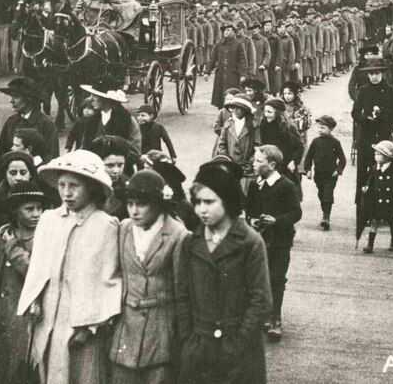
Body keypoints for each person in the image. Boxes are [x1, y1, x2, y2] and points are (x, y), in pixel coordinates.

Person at [17, 150, 123, 384]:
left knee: (82, 374)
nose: (66, 192)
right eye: (62, 185)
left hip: (81, 324)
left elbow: (108, 278)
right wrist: (34, 299)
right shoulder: (49, 220)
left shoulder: (105, 225)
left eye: (74, 185)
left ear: (91, 187)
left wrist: (92, 323)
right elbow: (38, 267)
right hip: (48, 316)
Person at [179, 159, 272, 383]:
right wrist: (187, 338)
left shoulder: (249, 241)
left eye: (210, 202)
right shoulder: (191, 241)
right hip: (199, 349)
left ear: (228, 201)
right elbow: (182, 294)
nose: (202, 209)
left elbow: (261, 300)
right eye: (198, 202)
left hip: (239, 353)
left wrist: (237, 344)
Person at [109, 170, 191, 384]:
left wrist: (184, 339)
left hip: (161, 331)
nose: (134, 211)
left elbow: (183, 291)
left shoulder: (178, 235)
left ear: (158, 203)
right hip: (125, 329)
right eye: (130, 203)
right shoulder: (124, 228)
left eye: (141, 204)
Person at [0, 180, 49, 384]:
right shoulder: (2, 234)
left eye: (39, 208)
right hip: (1, 311)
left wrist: (14, 250)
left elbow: (38, 274)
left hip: (27, 315)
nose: (36, 214)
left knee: (22, 365)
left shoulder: (44, 236)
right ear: (15, 210)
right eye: (29, 209)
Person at [246, 145, 302, 342]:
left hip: (280, 241)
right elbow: (249, 210)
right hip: (260, 241)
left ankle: (275, 318)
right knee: (260, 279)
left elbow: (296, 212)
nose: (254, 164)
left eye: (258, 161)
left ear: (271, 165)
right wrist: (251, 220)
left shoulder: (286, 185)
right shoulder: (255, 184)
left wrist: (276, 220)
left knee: (277, 278)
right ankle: (263, 314)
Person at [351, 56, 393, 244]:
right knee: (365, 175)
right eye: (371, 73)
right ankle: (363, 211)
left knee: (385, 173)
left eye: (377, 73)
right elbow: (355, 112)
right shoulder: (362, 91)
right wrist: (365, 118)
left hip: (383, 138)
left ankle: (385, 213)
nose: (374, 77)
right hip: (366, 140)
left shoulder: (390, 91)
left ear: (382, 74)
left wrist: (382, 116)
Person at [0, 76, 59, 196]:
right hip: (11, 185)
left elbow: (51, 159)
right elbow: (1, 155)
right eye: (11, 97)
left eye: (16, 96)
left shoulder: (46, 124)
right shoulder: (11, 122)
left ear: (29, 99)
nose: (11, 101)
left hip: (37, 187)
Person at [0, 150, 39, 241]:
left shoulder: (41, 200)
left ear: (31, 174)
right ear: (5, 175)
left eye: (23, 172)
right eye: (13, 173)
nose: (18, 178)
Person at [303, 115, 347, 231]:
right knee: (321, 193)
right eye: (319, 127)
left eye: (323, 128)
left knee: (328, 193)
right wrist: (307, 170)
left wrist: (338, 170)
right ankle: (325, 211)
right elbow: (309, 157)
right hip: (319, 174)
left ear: (330, 129)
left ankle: (326, 217)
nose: (320, 130)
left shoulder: (335, 143)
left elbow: (342, 159)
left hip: (330, 175)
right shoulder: (315, 142)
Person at [360, 141, 393, 253]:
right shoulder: (375, 168)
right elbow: (371, 179)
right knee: (374, 221)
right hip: (377, 200)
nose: (375, 157)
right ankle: (370, 244)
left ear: (387, 157)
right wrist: (367, 187)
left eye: (378, 155)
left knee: (391, 221)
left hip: (389, 200)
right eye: (375, 154)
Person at [86, 135, 141, 221]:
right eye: (110, 165)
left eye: (120, 165)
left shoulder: (128, 189)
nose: (116, 171)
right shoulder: (85, 186)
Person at [81, 76, 143, 150]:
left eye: (95, 95)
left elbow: (135, 152)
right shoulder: (92, 120)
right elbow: (84, 147)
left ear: (105, 99)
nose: (91, 98)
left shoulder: (128, 120)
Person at [216, 95, 261, 186]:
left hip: (247, 169)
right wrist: (227, 160)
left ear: (245, 110)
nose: (235, 110)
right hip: (230, 167)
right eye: (233, 107)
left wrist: (251, 162)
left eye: (238, 108)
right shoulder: (228, 124)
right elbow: (222, 144)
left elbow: (258, 145)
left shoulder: (253, 125)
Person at [207, 23, 247, 108]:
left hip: (233, 76)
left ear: (233, 32)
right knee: (221, 100)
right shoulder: (219, 44)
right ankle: (222, 115)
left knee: (233, 98)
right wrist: (207, 72)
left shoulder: (238, 44)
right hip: (220, 76)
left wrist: (243, 74)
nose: (226, 32)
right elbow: (212, 59)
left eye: (228, 30)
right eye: (225, 30)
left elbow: (243, 61)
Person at [281, 80, 312, 144]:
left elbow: (306, 124)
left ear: (295, 94)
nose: (287, 96)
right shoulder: (280, 106)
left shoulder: (302, 108)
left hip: (298, 138)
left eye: (290, 93)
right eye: (285, 93)